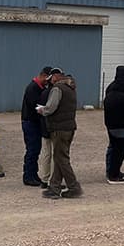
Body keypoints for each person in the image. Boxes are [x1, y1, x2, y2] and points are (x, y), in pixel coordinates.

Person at [38, 69, 82, 198]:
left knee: (61, 159)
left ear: (56, 77)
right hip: (69, 127)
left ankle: (74, 187)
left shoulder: (58, 89)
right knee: (59, 157)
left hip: (59, 128)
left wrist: (42, 110)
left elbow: (51, 107)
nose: (50, 80)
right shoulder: (71, 88)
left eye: (51, 77)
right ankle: (54, 187)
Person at [103, 65, 124, 184]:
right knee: (120, 150)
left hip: (110, 123)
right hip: (123, 123)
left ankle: (111, 170)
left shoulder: (110, 88)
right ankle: (114, 174)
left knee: (112, 147)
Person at [21, 67, 52, 187]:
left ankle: (33, 174)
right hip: (30, 122)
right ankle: (28, 176)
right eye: (47, 79)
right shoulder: (33, 88)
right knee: (32, 150)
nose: (47, 82)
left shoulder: (38, 87)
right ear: (43, 75)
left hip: (34, 122)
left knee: (36, 150)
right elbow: (35, 107)